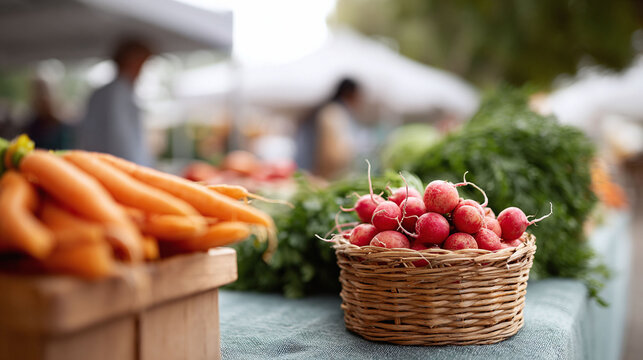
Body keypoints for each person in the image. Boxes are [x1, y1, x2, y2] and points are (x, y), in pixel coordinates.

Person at [76, 38, 153, 165]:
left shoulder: (111, 93)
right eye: (141, 63)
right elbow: (121, 141)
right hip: (116, 169)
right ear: (129, 61)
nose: (142, 70)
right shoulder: (116, 94)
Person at [295, 78, 362, 178]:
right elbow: (332, 153)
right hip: (327, 174)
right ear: (349, 93)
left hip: (324, 171)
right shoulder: (333, 112)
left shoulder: (335, 111)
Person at [25, 78, 72, 150]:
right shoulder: (32, 126)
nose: (41, 98)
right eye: (38, 94)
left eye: (44, 94)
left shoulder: (62, 128)